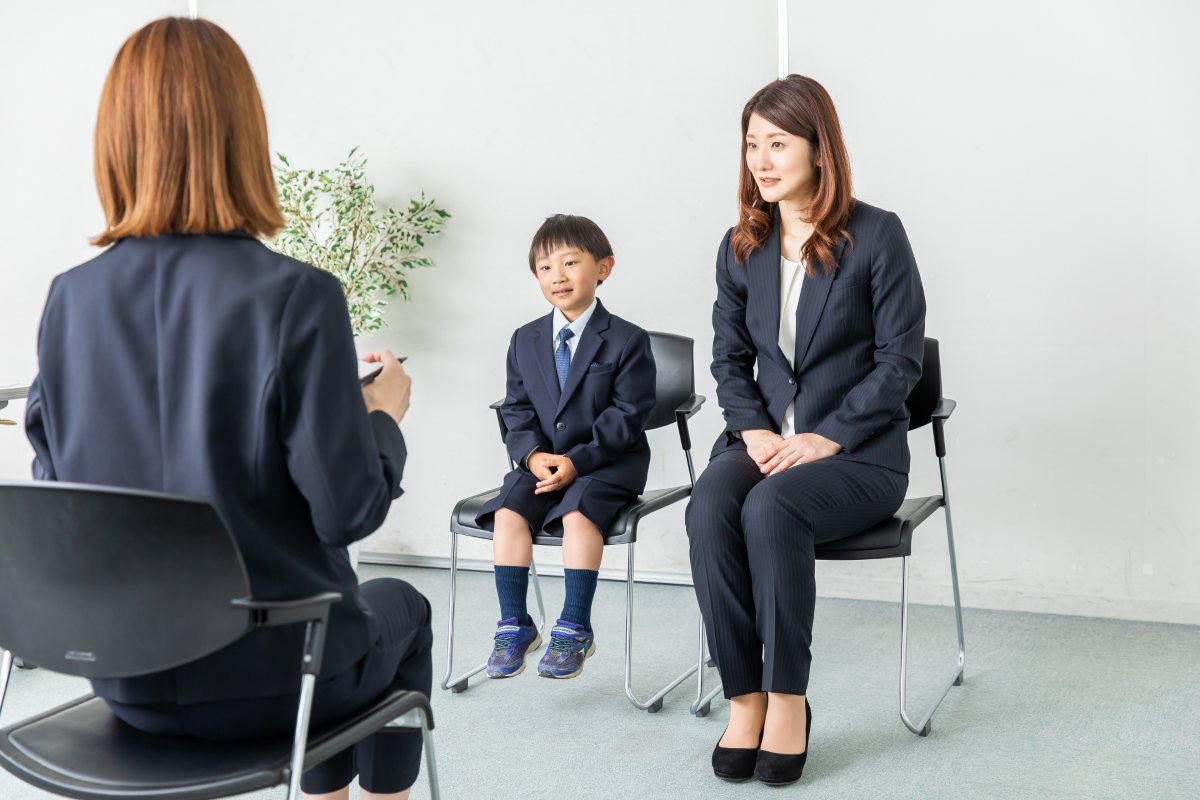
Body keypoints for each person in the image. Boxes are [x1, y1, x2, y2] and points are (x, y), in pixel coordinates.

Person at [23, 18, 430, 800]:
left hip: (125, 678)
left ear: (117, 138)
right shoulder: (297, 297)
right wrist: (381, 417)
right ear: (243, 134)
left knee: (341, 622)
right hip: (273, 682)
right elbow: (346, 514)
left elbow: (63, 486)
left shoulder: (67, 302)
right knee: (402, 610)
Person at [686, 75, 926, 786]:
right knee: (709, 506)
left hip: (859, 459)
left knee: (772, 506)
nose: (762, 158)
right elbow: (728, 358)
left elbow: (900, 362)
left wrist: (829, 436)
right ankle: (744, 695)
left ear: (820, 149)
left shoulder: (878, 234)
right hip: (763, 443)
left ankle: (788, 698)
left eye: (778, 142)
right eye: (752, 143)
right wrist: (754, 430)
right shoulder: (742, 246)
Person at [474, 214, 656, 680]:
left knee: (577, 513)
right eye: (544, 268)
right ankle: (514, 624)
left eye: (571, 263)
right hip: (540, 464)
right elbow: (515, 408)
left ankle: (575, 626)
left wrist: (576, 461)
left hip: (605, 464)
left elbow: (628, 415)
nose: (557, 276)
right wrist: (533, 456)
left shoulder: (627, 339)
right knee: (508, 511)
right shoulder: (525, 339)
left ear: (604, 268)